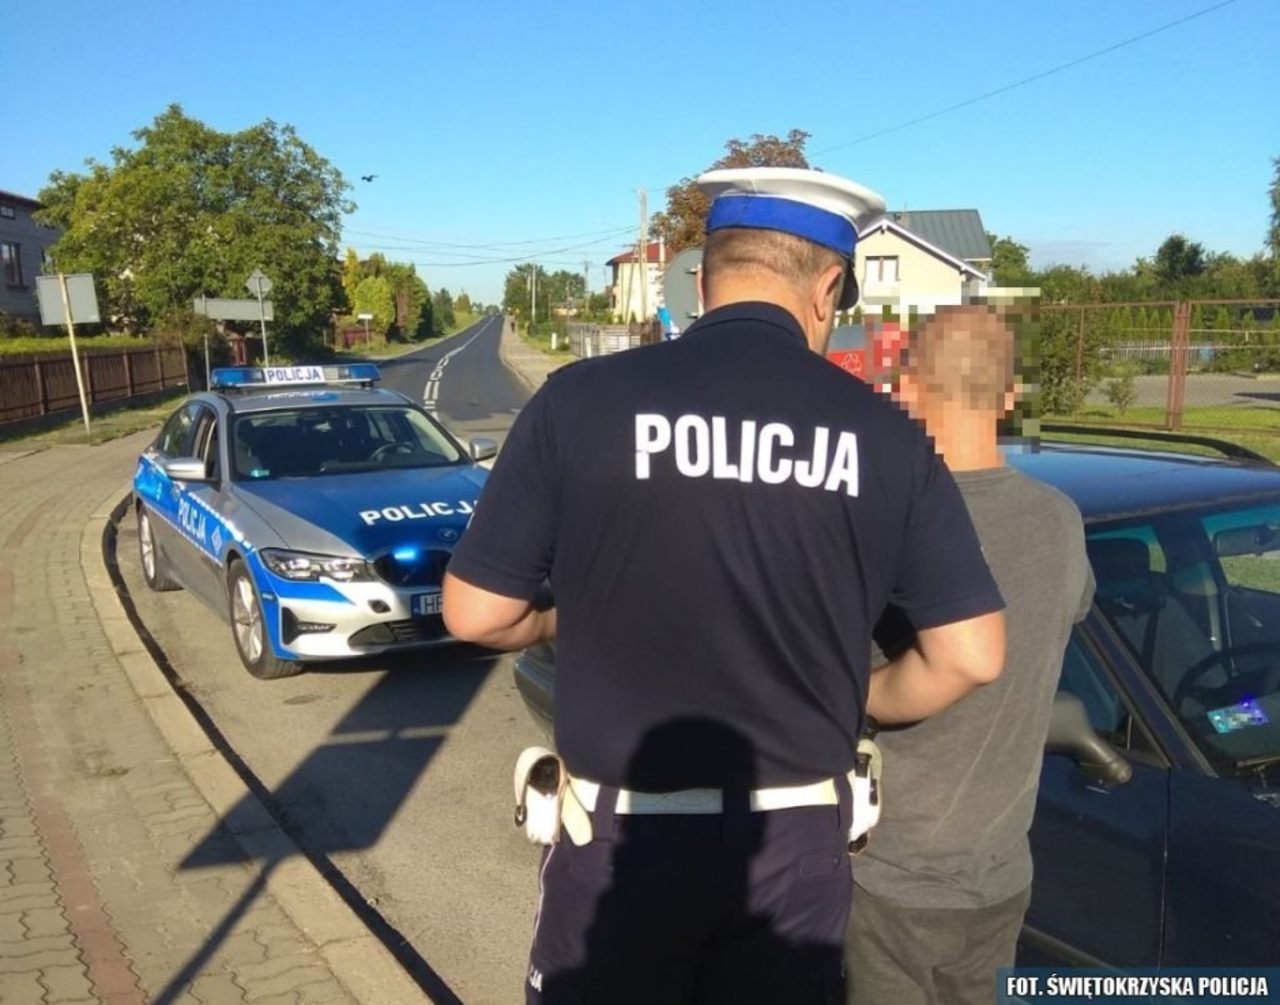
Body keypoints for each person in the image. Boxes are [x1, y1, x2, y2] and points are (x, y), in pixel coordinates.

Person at [442, 167, 1007, 1005]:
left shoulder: (579, 401)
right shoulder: (888, 436)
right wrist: (861, 694)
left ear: (702, 282)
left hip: (619, 846)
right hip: (794, 853)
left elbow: (475, 612)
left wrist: (558, 620)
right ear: (828, 289)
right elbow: (972, 653)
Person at [846, 304, 1096, 1005]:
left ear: (906, 389)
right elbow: (1064, 616)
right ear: (1010, 397)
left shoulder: (882, 519)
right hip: (1001, 872)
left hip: (889, 874)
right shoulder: (1060, 520)